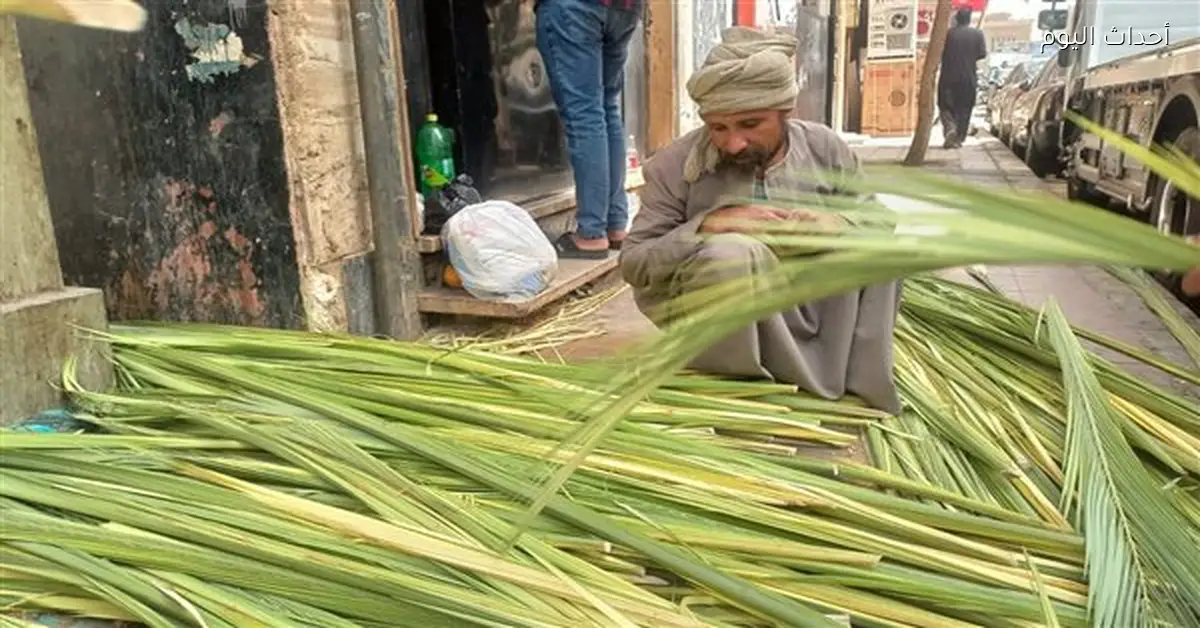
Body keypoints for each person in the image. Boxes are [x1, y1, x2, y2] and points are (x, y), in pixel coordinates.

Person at [618, 26, 904, 415]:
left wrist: (836, 226)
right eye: (718, 127)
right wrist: (707, 226)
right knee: (730, 254)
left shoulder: (825, 149)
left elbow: (880, 223)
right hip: (715, 312)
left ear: (787, 112)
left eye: (751, 124)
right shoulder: (674, 166)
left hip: (813, 305)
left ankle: (846, 381)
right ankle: (732, 387)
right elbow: (635, 262)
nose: (733, 143)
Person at [535, 0, 643, 259]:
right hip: (625, 8)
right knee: (606, 107)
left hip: (575, 7)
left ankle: (592, 233)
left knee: (584, 114)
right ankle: (615, 224)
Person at [938, 8, 988, 149]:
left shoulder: (948, 34)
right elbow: (982, 54)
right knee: (964, 109)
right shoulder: (977, 34)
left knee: (945, 106)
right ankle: (958, 138)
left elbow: (939, 52)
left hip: (948, 77)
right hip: (968, 78)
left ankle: (950, 129)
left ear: (957, 19)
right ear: (969, 19)